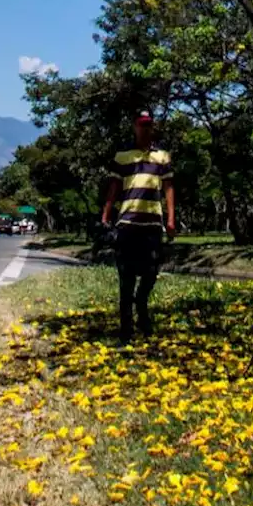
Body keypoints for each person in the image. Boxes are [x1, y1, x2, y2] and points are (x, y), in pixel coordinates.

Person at [101, 110, 176, 342]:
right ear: (134, 126)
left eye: (148, 125)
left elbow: (169, 188)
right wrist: (106, 214)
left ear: (153, 128)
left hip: (153, 224)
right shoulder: (122, 156)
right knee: (126, 277)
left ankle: (141, 306)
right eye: (141, 125)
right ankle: (127, 329)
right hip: (127, 224)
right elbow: (113, 187)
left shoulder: (162, 157)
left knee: (151, 272)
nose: (145, 129)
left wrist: (171, 218)